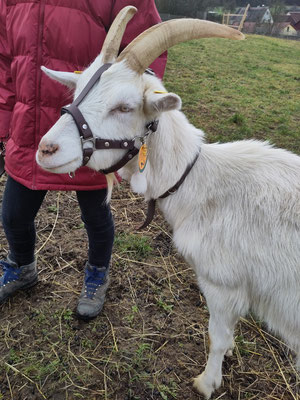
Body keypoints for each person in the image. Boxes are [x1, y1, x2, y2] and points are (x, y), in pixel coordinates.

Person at [0, 0, 167, 320]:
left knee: (96, 214)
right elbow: (5, 61)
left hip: (92, 132)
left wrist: (127, 104)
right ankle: (21, 267)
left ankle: (97, 272)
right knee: (13, 214)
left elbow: (147, 46)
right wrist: (3, 123)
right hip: (29, 125)